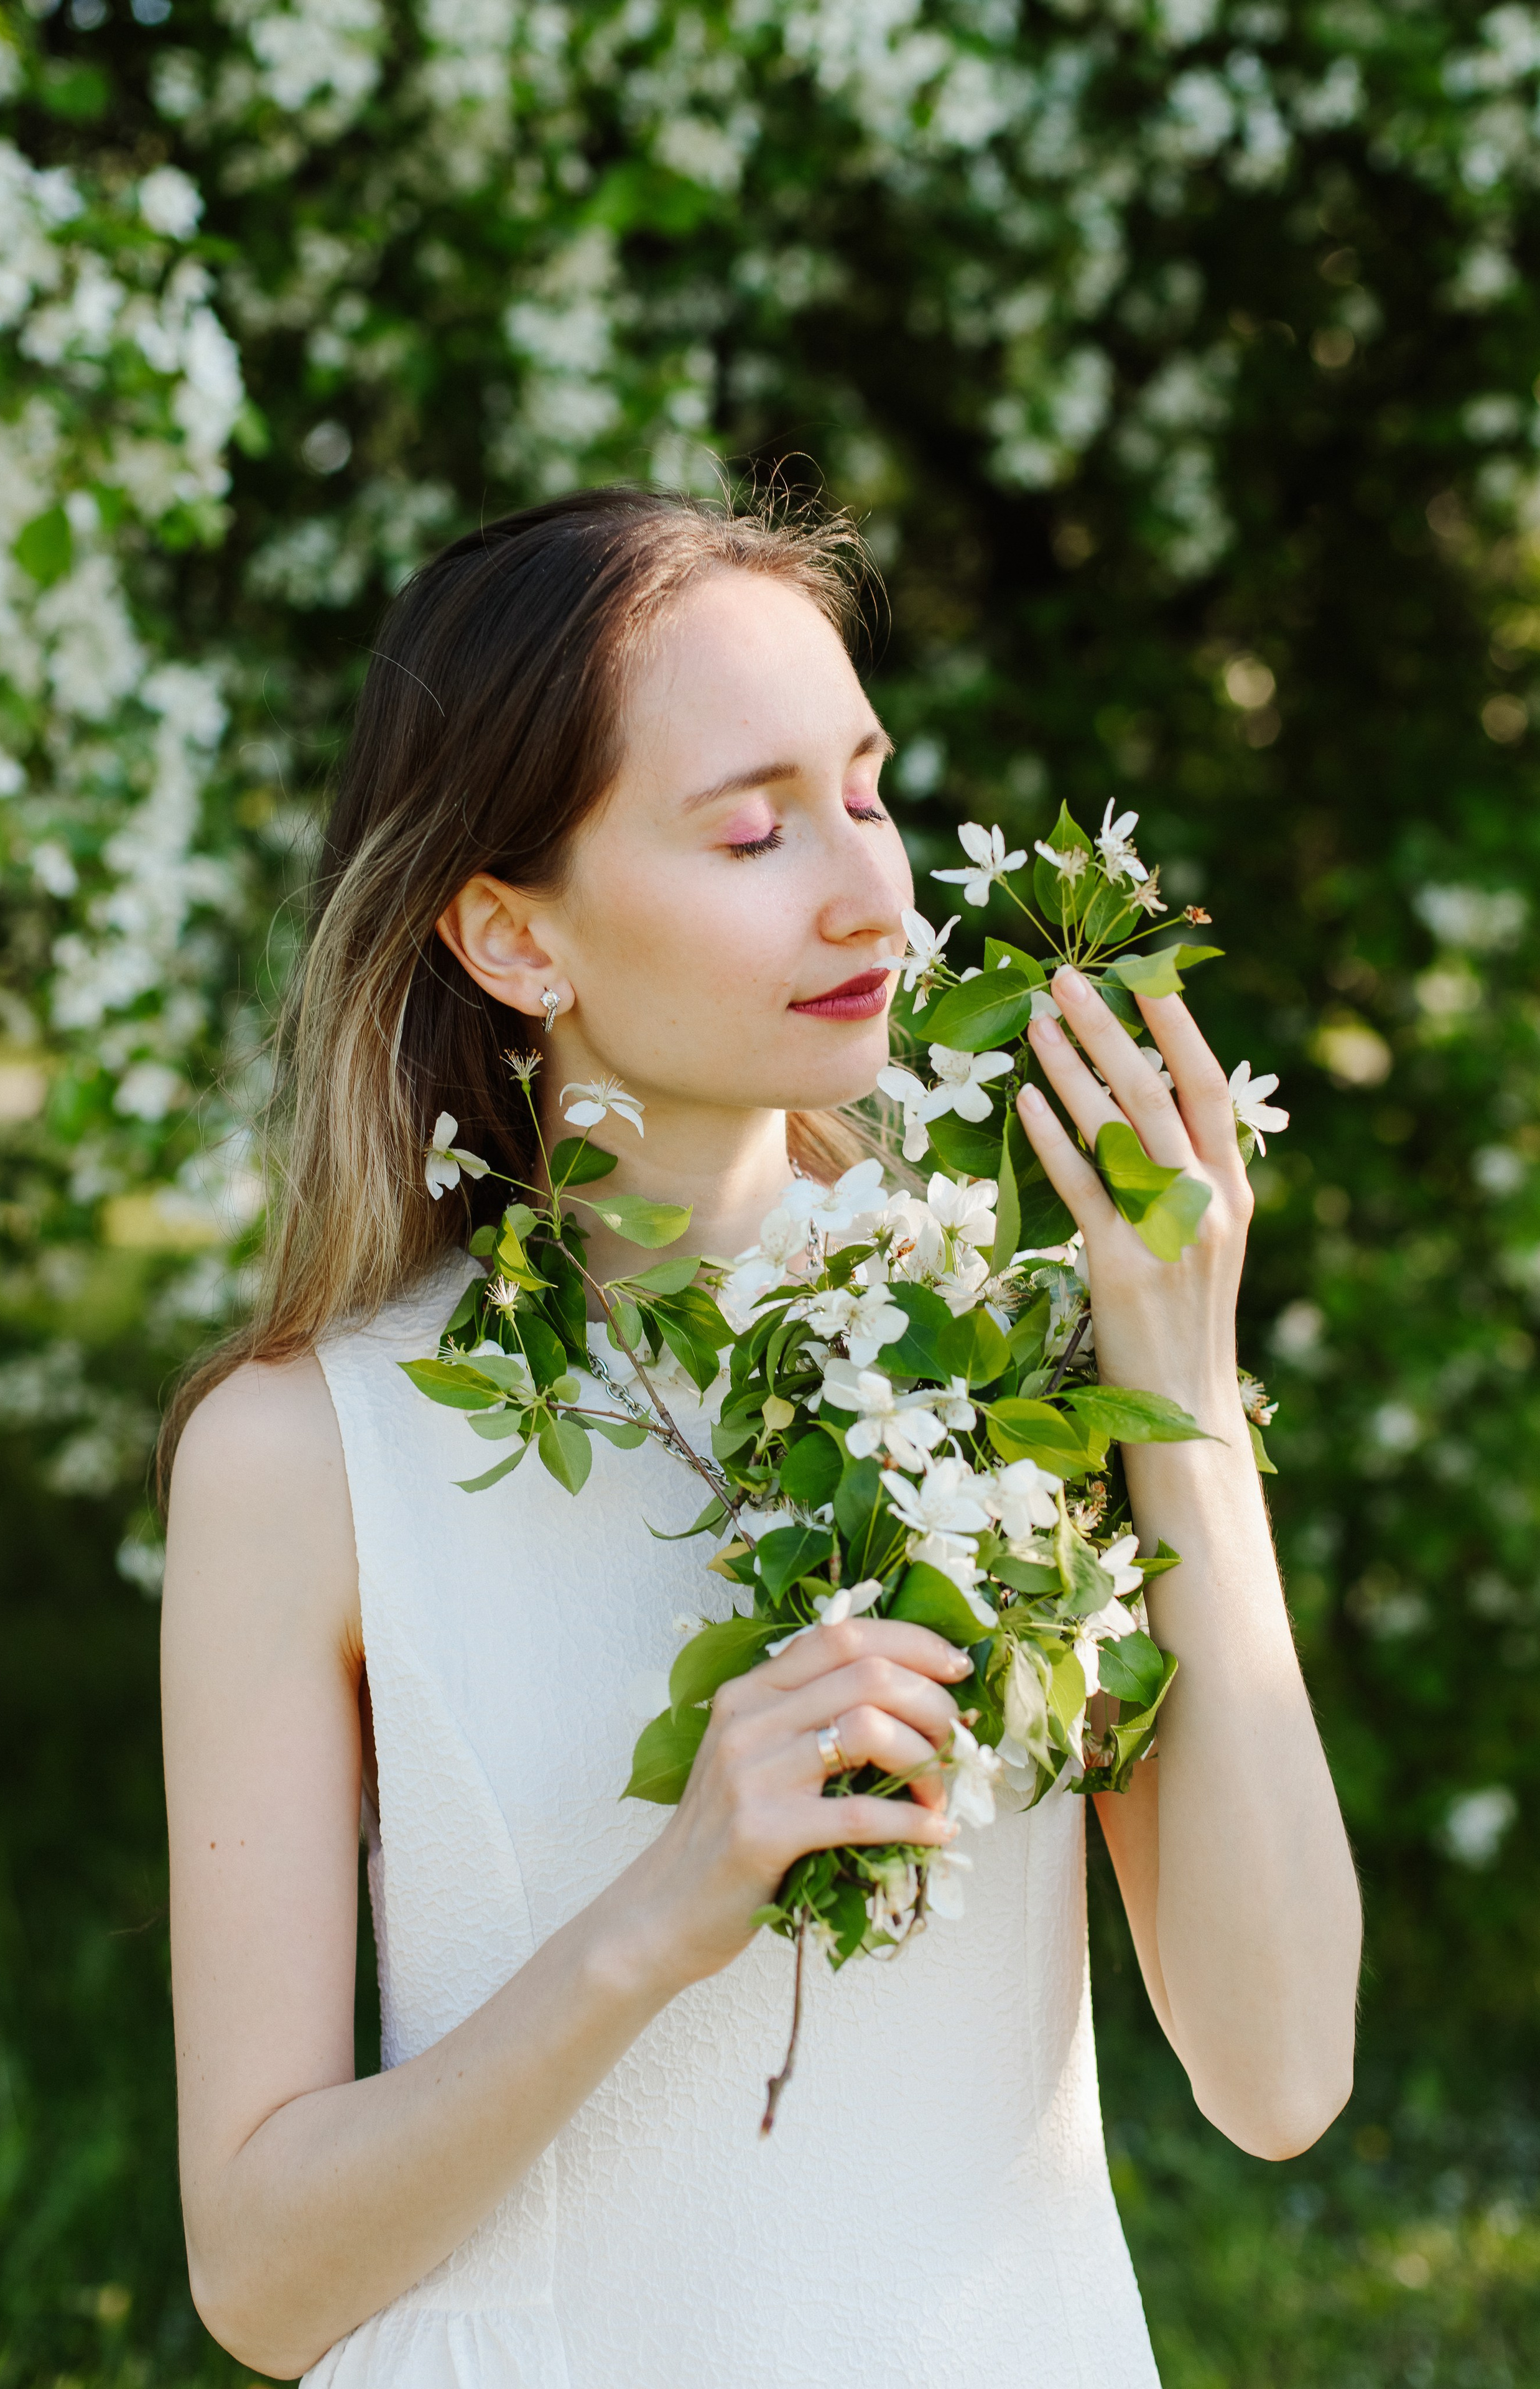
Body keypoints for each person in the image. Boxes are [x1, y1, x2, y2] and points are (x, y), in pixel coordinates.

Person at [160, 487, 1361, 2388]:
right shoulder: (308, 1452)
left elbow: (1283, 2074)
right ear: (509, 935)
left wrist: (1181, 1389)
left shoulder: (1004, 1364)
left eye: (867, 792)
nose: (871, 889)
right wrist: (665, 1905)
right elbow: (262, 2279)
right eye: (751, 826)